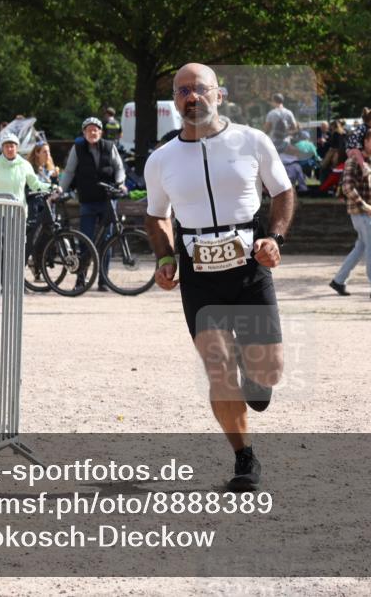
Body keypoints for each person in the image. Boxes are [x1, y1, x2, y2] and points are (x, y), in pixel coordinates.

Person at [143, 63, 295, 491]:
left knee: (269, 375)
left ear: (219, 95)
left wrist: (276, 238)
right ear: (175, 101)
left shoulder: (252, 141)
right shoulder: (162, 159)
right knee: (218, 369)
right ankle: (244, 458)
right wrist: (164, 258)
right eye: (183, 91)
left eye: (200, 89)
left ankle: (256, 373)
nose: (193, 97)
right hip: (199, 275)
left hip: (249, 267)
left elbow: (282, 191)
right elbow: (156, 216)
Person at [61, 117, 127, 290]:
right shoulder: (78, 148)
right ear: (84, 133)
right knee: (85, 240)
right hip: (88, 200)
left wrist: (119, 183)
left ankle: (103, 280)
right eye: (89, 130)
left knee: (107, 241)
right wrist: (60, 190)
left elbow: (119, 168)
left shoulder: (109, 146)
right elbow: (68, 172)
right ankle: (81, 280)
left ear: (101, 132)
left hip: (107, 201)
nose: (92, 132)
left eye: (95, 129)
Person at [329, 128, 371, 299]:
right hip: (363, 212)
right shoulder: (354, 161)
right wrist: (365, 206)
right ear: (365, 142)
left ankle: (339, 280)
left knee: (361, 247)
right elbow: (347, 187)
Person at [0, 131, 50, 202]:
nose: (9, 149)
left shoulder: (25, 164)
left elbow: (35, 185)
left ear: (17, 148)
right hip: (0, 210)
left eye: (12, 146)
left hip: (19, 210)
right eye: (6, 146)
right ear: (2, 149)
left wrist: (51, 187)